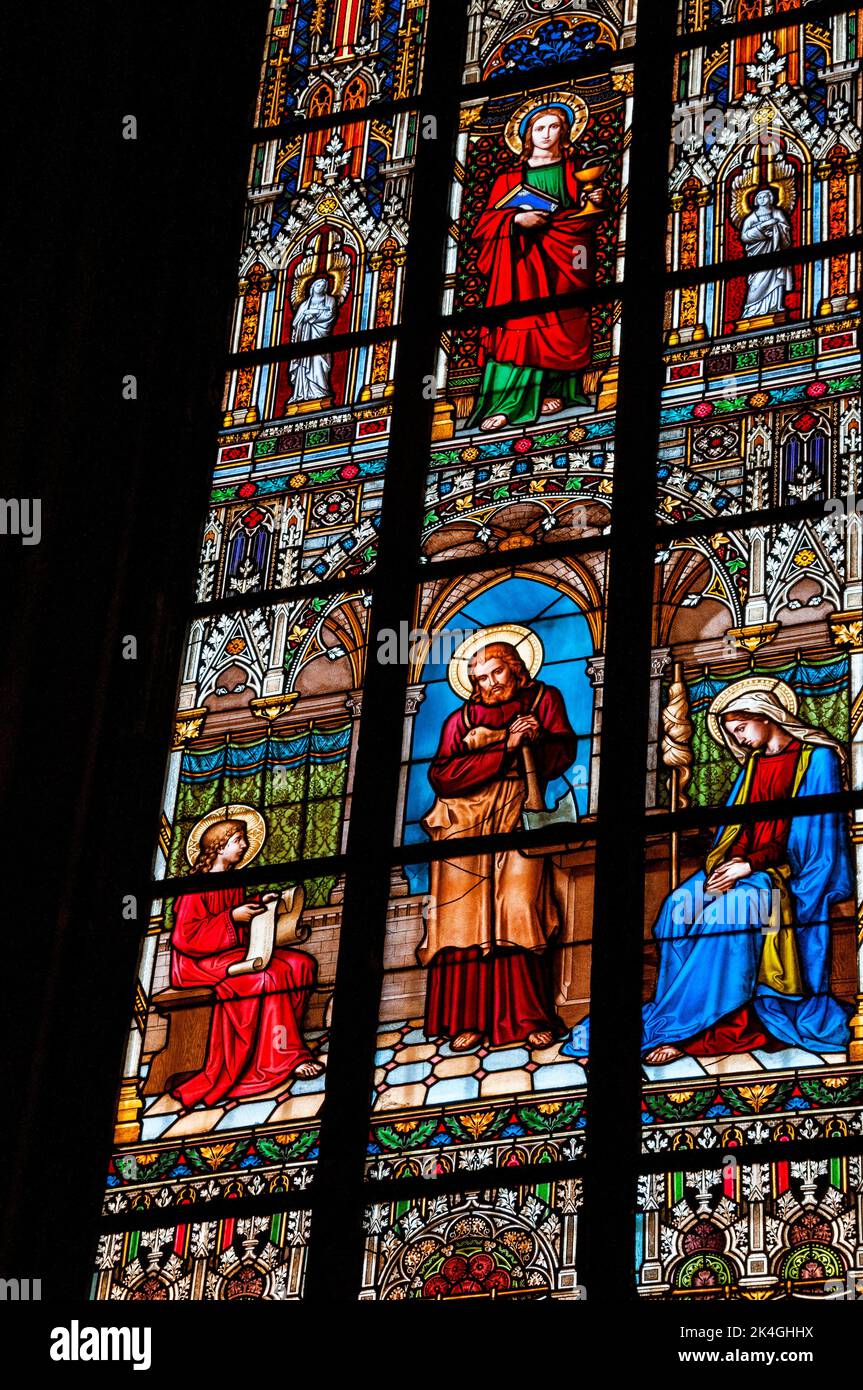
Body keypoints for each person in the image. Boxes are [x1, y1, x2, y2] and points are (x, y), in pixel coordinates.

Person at [563, 679, 853, 1064]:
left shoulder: (817, 759)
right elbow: (736, 829)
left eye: (742, 729)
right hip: (740, 867)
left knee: (726, 917)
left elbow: (814, 837)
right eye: (733, 733)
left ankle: (697, 1031)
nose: (740, 740)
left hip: (786, 874)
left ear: (766, 716)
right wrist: (726, 864)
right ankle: (676, 1013)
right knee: (677, 909)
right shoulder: (753, 765)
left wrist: (749, 865)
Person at [417, 634, 576, 1052]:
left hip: (520, 808)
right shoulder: (459, 719)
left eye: (496, 672)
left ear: (517, 668)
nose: (488, 683)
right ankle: (468, 1019)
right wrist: (504, 748)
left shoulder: (544, 698)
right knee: (463, 919)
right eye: (479, 677)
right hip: (462, 821)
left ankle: (527, 1016)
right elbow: (442, 776)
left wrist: (538, 740)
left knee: (519, 907)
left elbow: (563, 756)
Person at [169, 816, 323, 1109]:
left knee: (300, 964)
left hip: (230, 953)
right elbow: (185, 937)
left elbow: (234, 919)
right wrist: (231, 918)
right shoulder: (195, 886)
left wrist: (258, 903)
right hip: (197, 963)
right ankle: (280, 1058)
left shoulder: (234, 882)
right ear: (218, 847)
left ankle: (282, 1043)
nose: (245, 845)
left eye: (243, 839)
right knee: (268, 977)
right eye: (237, 840)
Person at [467, 101, 602, 431]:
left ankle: (554, 391)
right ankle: (509, 402)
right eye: (538, 128)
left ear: (565, 131)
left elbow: (583, 222)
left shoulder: (575, 170)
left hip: (564, 261)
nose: (546, 134)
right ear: (527, 134)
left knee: (565, 317)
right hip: (517, 266)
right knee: (517, 326)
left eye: (553, 126)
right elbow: (483, 226)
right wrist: (516, 220)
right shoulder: (508, 177)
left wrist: (593, 205)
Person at [740, 188, 793, 319]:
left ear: (771, 199)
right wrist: (761, 229)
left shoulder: (777, 213)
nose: (763, 200)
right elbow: (745, 237)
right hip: (758, 256)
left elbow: (785, 231)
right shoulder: (751, 218)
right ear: (756, 201)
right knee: (756, 285)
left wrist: (776, 229)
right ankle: (752, 310)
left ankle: (775, 307)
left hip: (776, 252)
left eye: (765, 197)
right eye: (760, 198)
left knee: (777, 279)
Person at [288, 275, 338, 402]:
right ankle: (302, 394)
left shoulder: (330, 300)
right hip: (305, 337)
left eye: (323, 286)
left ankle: (320, 391)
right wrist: (306, 319)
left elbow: (329, 315)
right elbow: (296, 322)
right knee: (304, 365)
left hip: (320, 336)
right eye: (318, 285)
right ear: (313, 287)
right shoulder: (305, 304)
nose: (320, 287)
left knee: (319, 361)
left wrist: (313, 318)